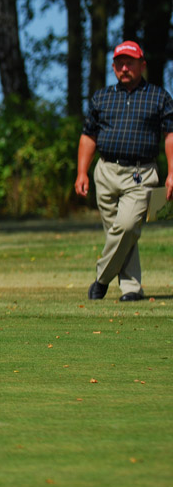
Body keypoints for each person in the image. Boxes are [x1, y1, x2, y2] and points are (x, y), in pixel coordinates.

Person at [75, 40, 173, 302]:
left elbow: (170, 136)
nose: (125, 67)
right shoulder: (102, 97)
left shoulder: (159, 97)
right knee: (118, 234)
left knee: (127, 227)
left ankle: (101, 278)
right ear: (113, 67)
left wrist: (172, 172)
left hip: (142, 173)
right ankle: (131, 289)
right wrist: (82, 172)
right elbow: (88, 136)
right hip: (106, 170)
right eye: (120, 63)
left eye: (130, 63)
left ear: (142, 65)